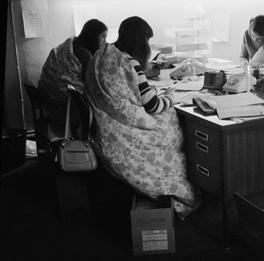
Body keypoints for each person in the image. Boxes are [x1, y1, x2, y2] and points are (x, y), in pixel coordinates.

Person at [84, 16, 200, 217]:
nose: (148, 45)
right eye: (147, 40)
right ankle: (189, 189)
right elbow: (153, 105)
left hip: (103, 128)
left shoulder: (103, 54)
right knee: (172, 129)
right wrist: (170, 97)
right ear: (140, 40)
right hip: (122, 135)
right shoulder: (130, 63)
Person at [38, 19, 107, 133]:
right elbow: (91, 83)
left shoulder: (73, 44)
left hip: (49, 100)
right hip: (64, 107)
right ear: (93, 36)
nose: (105, 41)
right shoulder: (84, 53)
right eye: (103, 36)